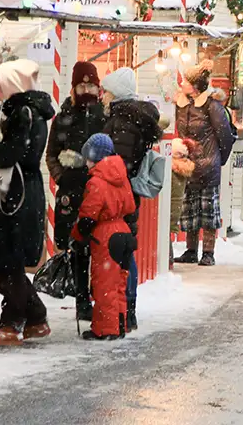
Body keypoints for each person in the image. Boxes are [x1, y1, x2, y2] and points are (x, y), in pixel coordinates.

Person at [0, 59, 55, 347]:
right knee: (11, 264)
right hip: (24, 192)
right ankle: (25, 321)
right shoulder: (34, 111)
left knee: (7, 263)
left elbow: (13, 154)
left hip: (14, 196)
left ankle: (23, 320)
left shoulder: (22, 112)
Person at [44, 61, 106, 322]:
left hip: (99, 191)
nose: (86, 90)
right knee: (77, 247)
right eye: (81, 86)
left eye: (90, 86)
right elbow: (51, 155)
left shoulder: (105, 115)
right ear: (74, 88)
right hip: (73, 191)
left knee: (100, 247)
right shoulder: (64, 117)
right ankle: (82, 299)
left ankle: (99, 296)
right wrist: (63, 177)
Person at [102, 66, 162, 330]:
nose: (102, 96)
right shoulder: (133, 118)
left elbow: (119, 165)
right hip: (127, 194)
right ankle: (126, 309)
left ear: (115, 93)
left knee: (122, 253)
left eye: (106, 91)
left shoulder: (122, 122)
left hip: (119, 196)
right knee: (125, 249)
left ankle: (125, 310)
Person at [70, 134, 136, 341]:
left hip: (106, 235)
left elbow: (88, 215)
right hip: (124, 231)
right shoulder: (121, 178)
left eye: (88, 158)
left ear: (94, 157)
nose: (86, 163)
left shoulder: (97, 182)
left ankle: (106, 330)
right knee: (119, 284)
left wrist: (77, 236)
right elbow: (131, 206)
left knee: (104, 285)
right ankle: (119, 324)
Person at [173, 59, 235, 267]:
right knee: (190, 209)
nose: (182, 83)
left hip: (208, 165)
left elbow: (225, 136)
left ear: (196, 86)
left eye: (186, 81)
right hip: (188, 165)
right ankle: (191, 251)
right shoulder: (182, 105)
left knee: (208, 211)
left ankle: (208, 252)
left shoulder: (212, 106)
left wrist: (217, 160)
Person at [169, 138, 195, 268]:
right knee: (167, 234)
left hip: (169, 209)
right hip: (175, 209)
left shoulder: (171, 171)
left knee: (164, 234)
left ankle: (168, 260)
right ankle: (169, 259)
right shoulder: (182, 169)